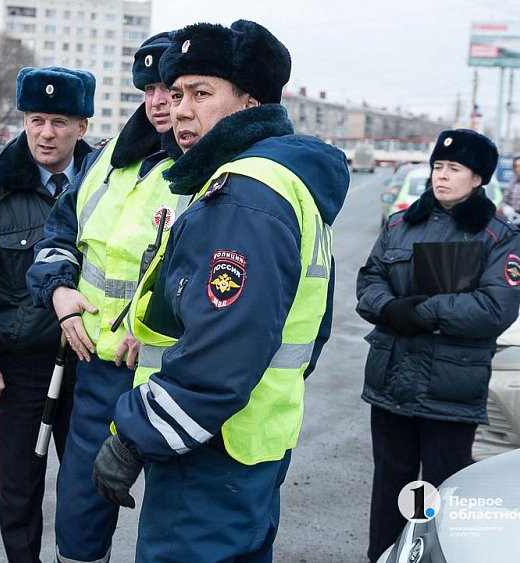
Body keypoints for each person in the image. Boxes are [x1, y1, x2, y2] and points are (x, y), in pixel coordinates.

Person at [89, 20, 350, 561]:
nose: (181, 109)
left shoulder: (245, 195)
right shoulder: (278, 181)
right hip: (249, 443)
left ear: (251, 101)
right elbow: (306, 334)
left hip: (208, 454)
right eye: (177, 92)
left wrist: (135, 435)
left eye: (202, 93)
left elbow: (222, 352)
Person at [26, 32, 184, 563]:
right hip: (98, 368)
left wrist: (158, 326)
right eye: (151, 89)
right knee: (80, 507)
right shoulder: (108, 161)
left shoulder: (210, 165)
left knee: (172, 517)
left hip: (172, 375)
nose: (161, 101)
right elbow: (57, 238)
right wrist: (61, 293)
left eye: (173, 88)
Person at [0, 66, 95, 563]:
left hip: (93, 363)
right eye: (36, 120)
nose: (46, 133)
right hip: (23, 367)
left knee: (88, 486)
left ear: (82, 126)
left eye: (58, 121)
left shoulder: (111, 186)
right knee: (19, 488)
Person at [356, 129, 520, 561]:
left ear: (478, 179)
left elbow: (494, 308)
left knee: (442, 494)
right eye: (437, 167)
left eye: (454, 168)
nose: (441, 176)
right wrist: (392, 309)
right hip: (392, 384)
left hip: (449, 389)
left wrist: (422, 313)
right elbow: (368, 281)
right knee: (390, 488)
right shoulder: (400, 225)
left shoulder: (497, 237)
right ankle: (384, 556)